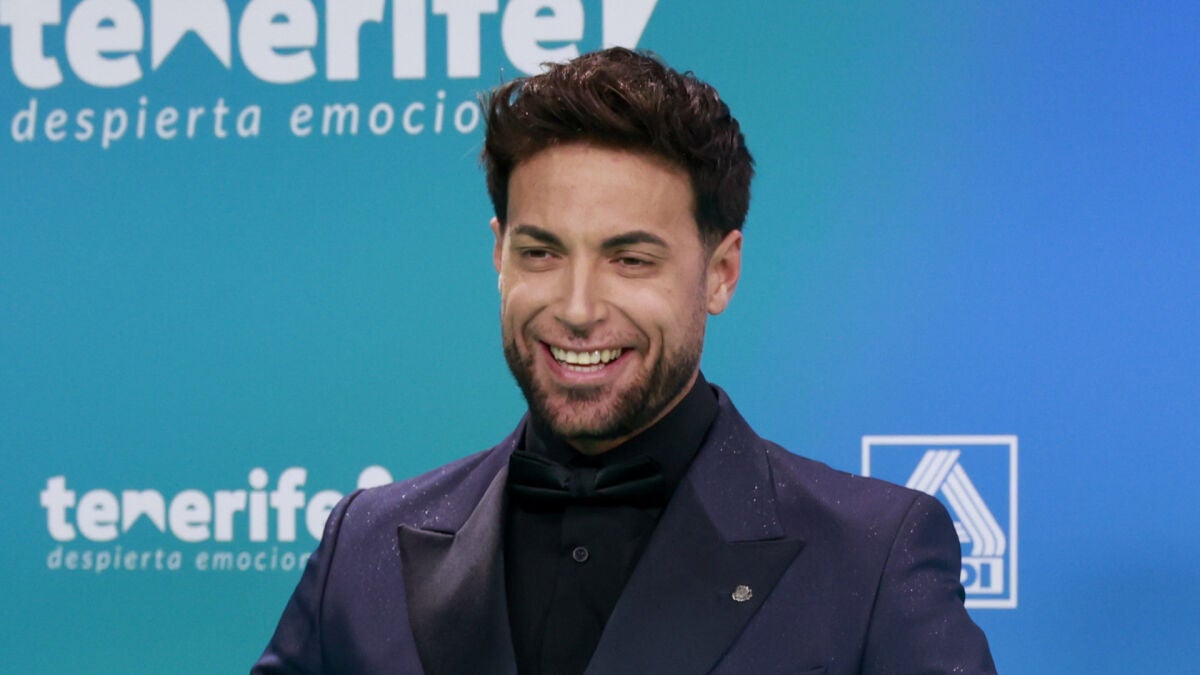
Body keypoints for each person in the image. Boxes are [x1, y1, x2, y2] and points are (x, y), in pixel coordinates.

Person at [253, 48, 996, 674]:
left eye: (630, 259)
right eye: (541, 253)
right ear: (499, 253)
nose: (578, 307)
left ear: (721, 273)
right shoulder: (362, 546)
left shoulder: (871, 558)